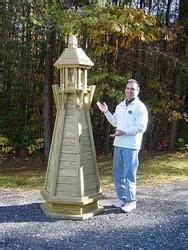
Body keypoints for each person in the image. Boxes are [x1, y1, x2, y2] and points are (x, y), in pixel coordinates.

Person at [97, 79, 148, 213]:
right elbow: (115, 122)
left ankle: (131, 202)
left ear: (138, 91)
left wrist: (126, 132)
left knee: (129, 174)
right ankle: (122, 199)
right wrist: (106, 112)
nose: (130, 91)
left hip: (131, 146)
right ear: (125, 90)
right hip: (118, 144)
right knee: (118, 174)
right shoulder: (120, 106)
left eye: (133, 89)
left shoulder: (140, 107)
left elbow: (141, 127)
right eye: (128, 88)